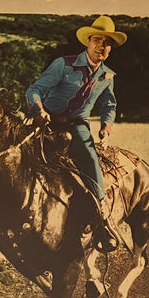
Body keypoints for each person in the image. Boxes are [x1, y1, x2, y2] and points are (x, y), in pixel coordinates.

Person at [26, 15, 127, 252]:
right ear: (88, 42)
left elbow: (110, 105)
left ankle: (103, 222)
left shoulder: (108, 76)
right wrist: (39, 111)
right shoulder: (64, 64)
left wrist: (106, 126)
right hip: (47, 122)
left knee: (91, 163)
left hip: (78, 126)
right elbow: (35, 90)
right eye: (97, 40)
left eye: (107, 43)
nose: (101, 46)